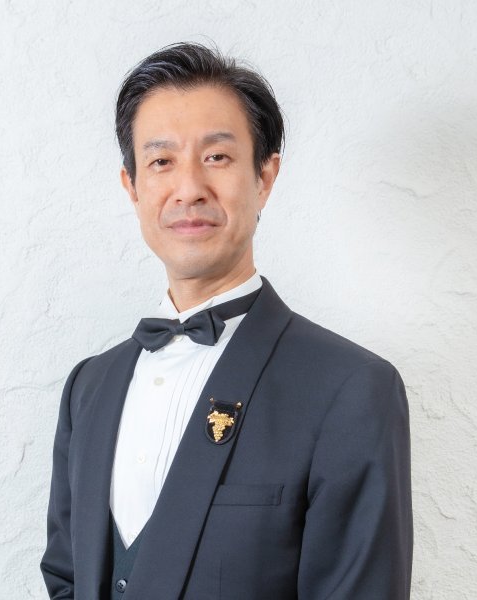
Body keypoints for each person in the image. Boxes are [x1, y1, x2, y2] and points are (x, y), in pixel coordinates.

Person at [40, 42, 413, 600]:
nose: (189, 189)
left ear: (265, 177)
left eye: (216, 157)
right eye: (161, 161)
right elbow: (67, 578)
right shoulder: (88, 388)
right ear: (132, 187)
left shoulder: (353, 389)